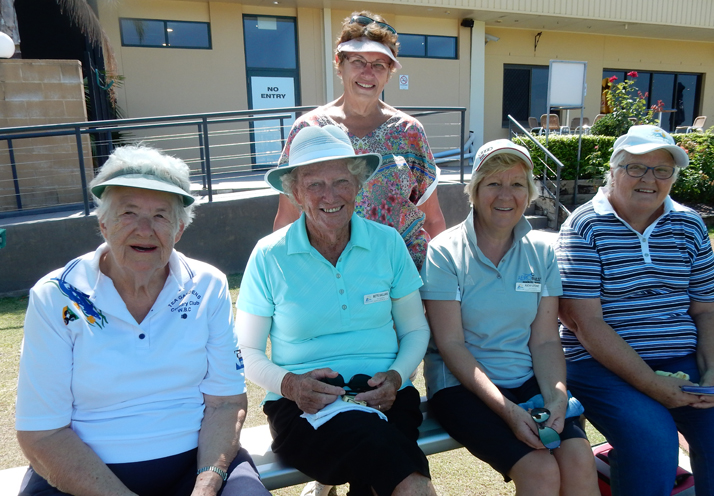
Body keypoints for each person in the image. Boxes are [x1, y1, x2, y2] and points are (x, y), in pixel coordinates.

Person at [15, 146, 270, 496]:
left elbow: (225, 401)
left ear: (179, 230)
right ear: (103, 224)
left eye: (161, 216)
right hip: (83, 476)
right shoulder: (57, 295)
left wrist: (207, 485)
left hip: (196, 464)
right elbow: (42, 433)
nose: (145, 229)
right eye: (129, 213)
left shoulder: (208, 285)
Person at [555, 125, 714, 496]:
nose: (650, 179)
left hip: (683, 359)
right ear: (613, 171)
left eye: (662, 170)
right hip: (599, 365)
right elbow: (585, 323)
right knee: (652, 443)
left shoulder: (689, 224)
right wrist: (651, 385)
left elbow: (709, 308)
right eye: (636, 168)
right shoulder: (585, 226)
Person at [236, 125, 436, 496]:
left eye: (342, 181)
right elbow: (244, 352)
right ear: (295, 193)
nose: (331, 196)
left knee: (380, 466)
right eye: (314, 184)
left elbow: (415, 330)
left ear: (358, 185)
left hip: (387, 396)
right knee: (404, 477)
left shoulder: (388, 243)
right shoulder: (269, 255)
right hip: (303, 405)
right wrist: (291, 385)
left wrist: (395, 378)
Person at [419, 140, 599, 496]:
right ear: (474, 191)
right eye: (494, 183)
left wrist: (557, 398)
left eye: (517, 184)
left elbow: (546, 340)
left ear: (529, 192)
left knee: (579, 460)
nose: (506, 195)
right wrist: (508, 412)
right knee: (541, 470)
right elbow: (451, 345)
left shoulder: (543, 252)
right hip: (462, 387)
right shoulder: (444, 252)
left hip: (526, 379)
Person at [273, 10, 446, 271]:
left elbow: (432, 219)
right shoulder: (309, 129)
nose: (368, 73)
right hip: (328, 274)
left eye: (379, 65)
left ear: (389, 73)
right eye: (357, 61)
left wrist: (436, 289)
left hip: (400, 279)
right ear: (339, 64)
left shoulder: (410, 132)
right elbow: (288, 217)